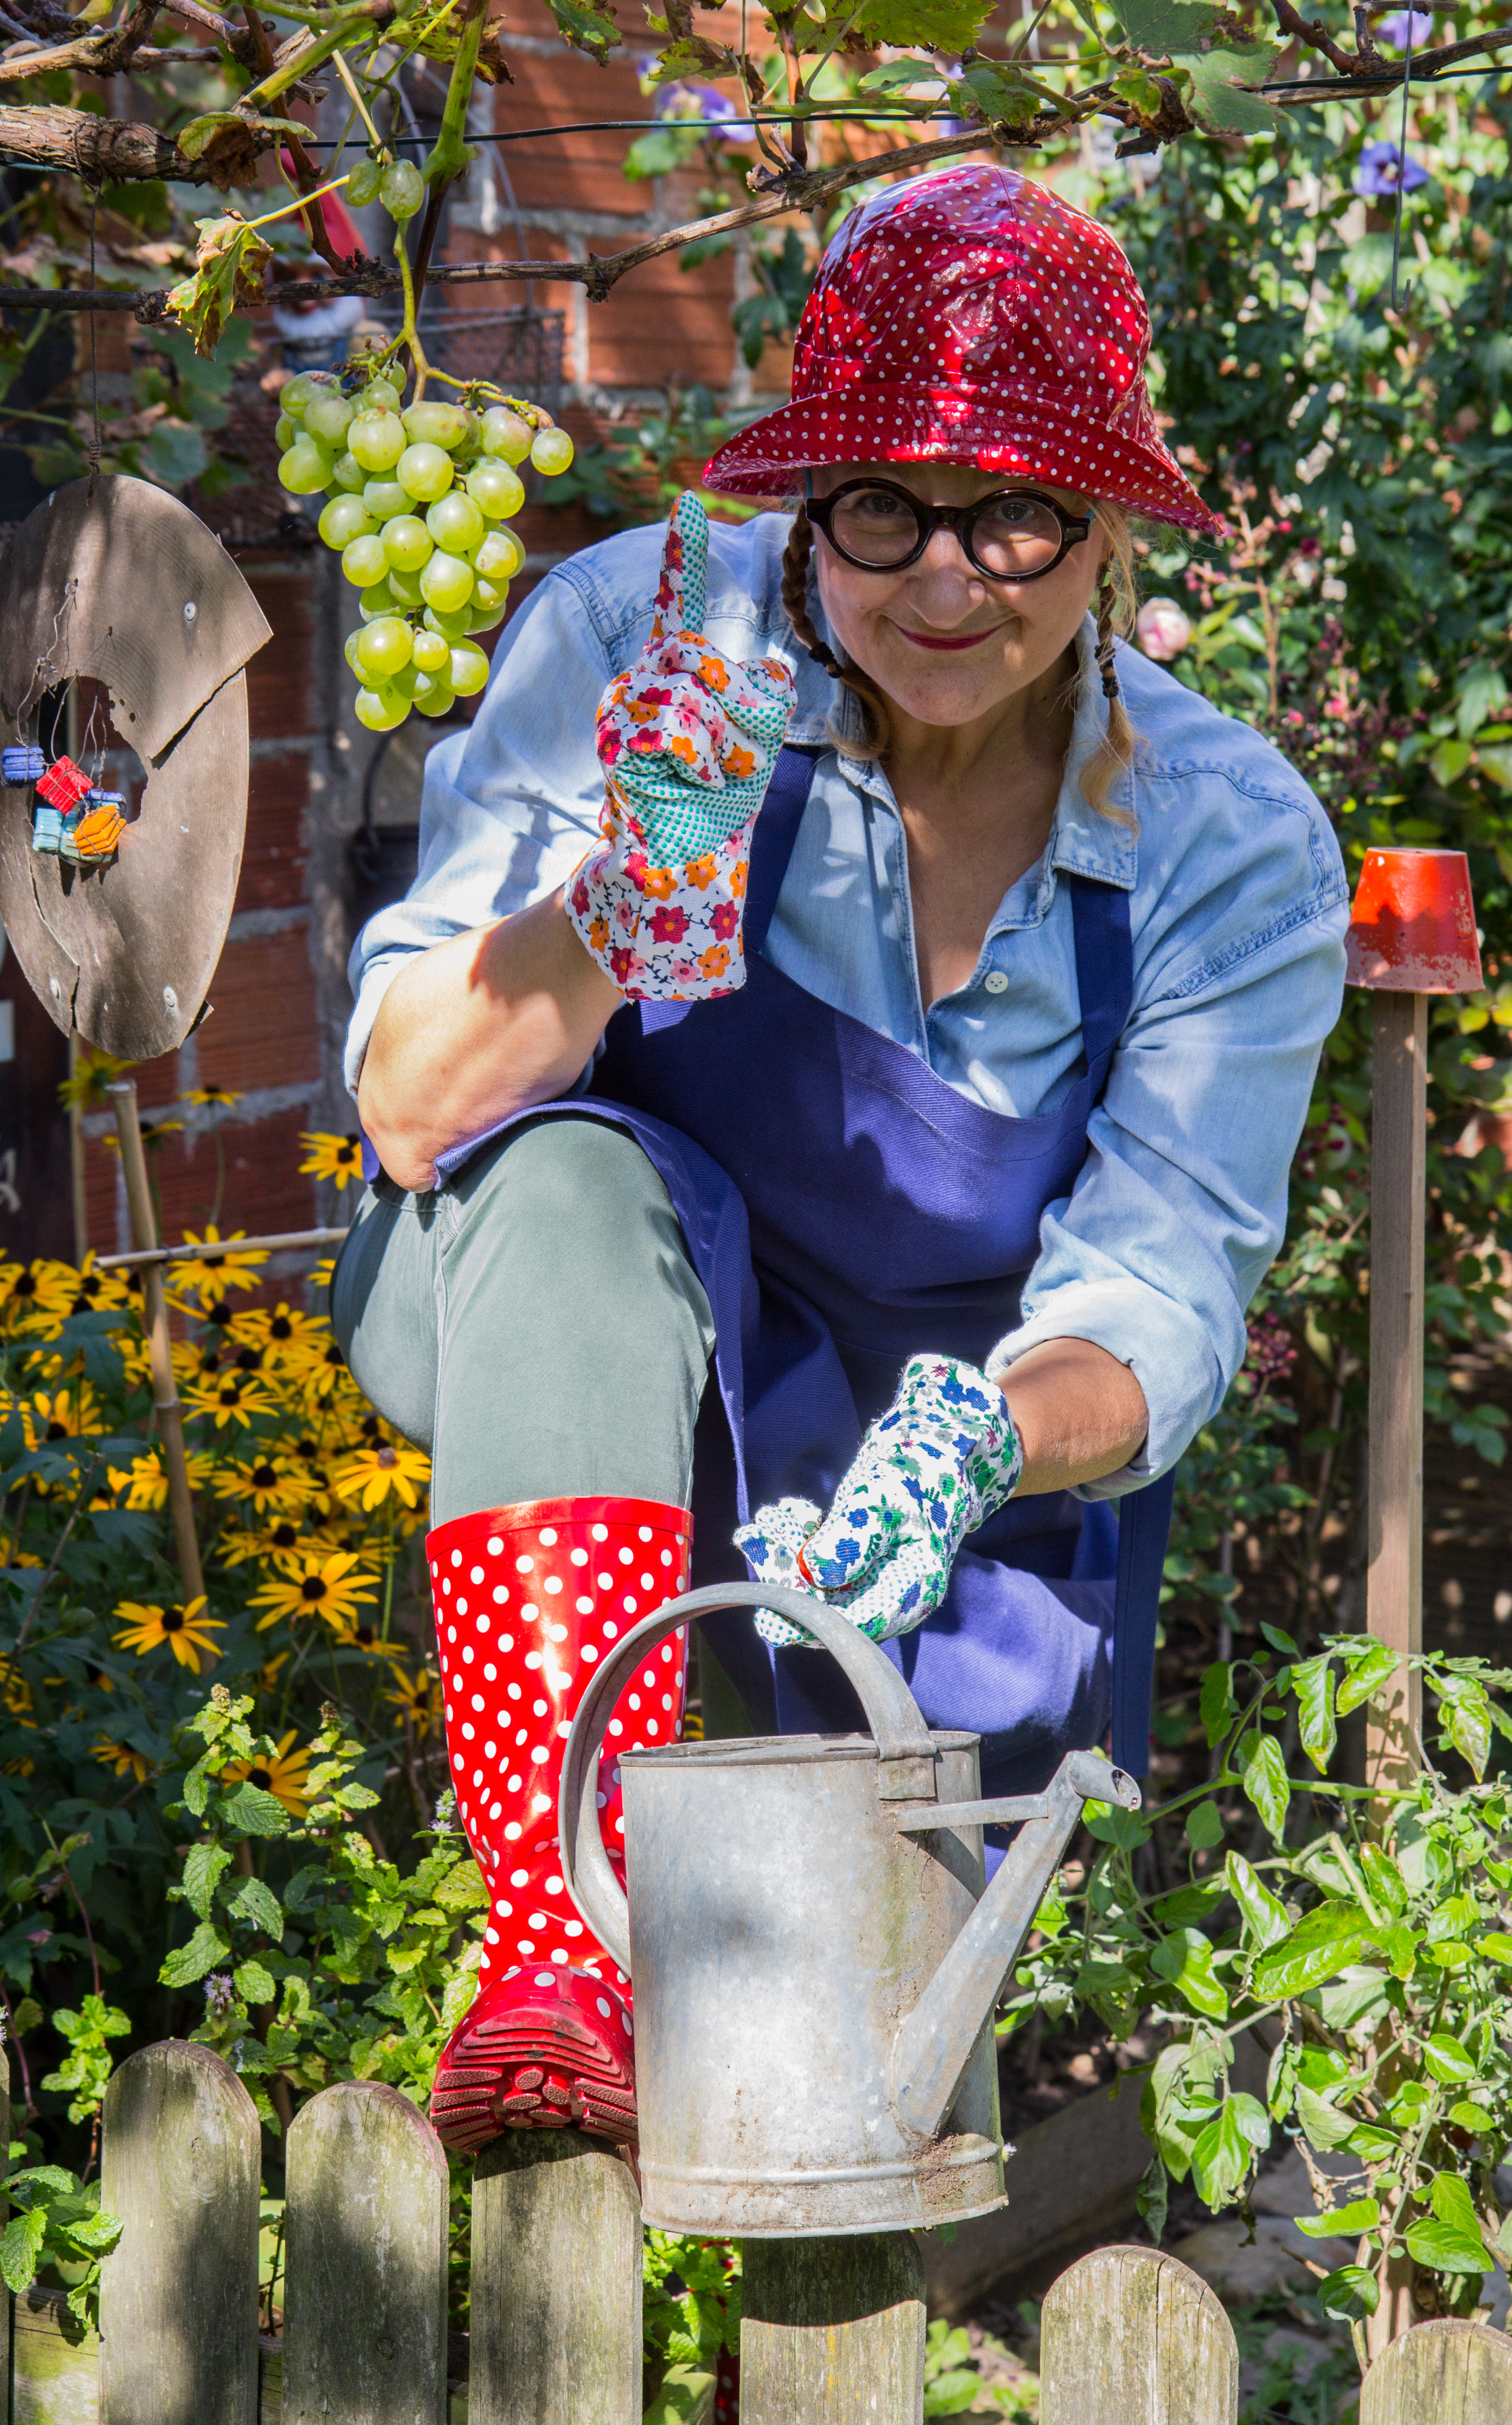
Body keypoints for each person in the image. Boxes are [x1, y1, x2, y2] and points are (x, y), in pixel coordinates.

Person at [331, 162, 1349, 2154]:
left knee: (875, 2122)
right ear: (807, 494)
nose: (946, 577)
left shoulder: (1229, 838)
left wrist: (982, 1435)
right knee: (568, 1180)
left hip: (914, 1453)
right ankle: (557, 1942)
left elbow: (1159, 1292)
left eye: (1018, 513)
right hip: (566, 1348)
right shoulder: (642, 641)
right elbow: (411, 1106)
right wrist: (625, 904)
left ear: (1114, 533)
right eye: (882, 503)